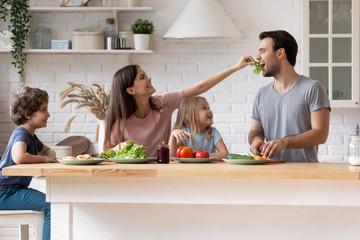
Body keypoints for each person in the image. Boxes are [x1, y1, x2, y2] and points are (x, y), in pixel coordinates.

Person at [104, 57, 250, 157]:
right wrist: (118, 148)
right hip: (134, 174)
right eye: (142, 78)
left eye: (146, 75)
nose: (149, 78)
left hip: (163, 172)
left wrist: (236, 67)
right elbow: (107, 153)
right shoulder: (120, 119)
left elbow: (200, 87)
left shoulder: (163, 103)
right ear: (131, 90)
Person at [247, 30, 331, 162]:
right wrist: (256, 140)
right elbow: (255, 131)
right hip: (270, 174)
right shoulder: (261, 94)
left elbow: (320, 134)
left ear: (280, 53)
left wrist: (284, 142)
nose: (257, 57)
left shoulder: (313, 88)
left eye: (263, 51)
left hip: (305, 176)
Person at [0, 86, 58, 240]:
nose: (48, 114)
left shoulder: (31, 136)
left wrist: (49, 155)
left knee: (53, 203)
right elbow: (19, 156)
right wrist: (45, 159)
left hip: (11, 190)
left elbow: (48, 150)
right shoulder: (21, 133)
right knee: (51, 205)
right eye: (43, 110)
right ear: (28, 114)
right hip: (4, 193)